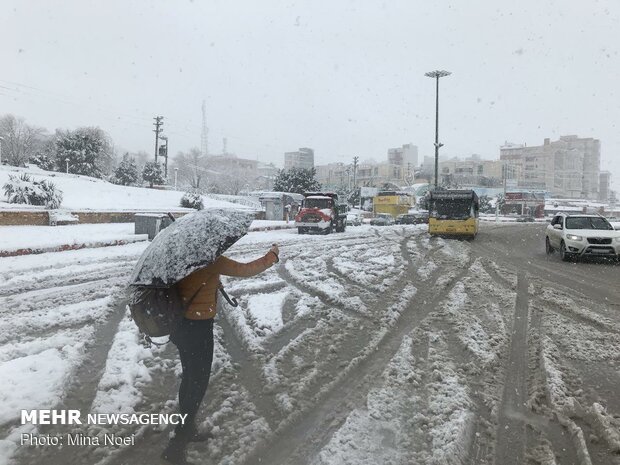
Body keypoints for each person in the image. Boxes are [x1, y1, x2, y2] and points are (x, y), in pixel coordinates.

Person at [162, 243, 280, 464]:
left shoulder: (179, 259)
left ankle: (188, 428)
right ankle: (177, 443)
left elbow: (188, 285)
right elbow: (246, 269)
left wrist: (211, 281)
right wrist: (272, 256)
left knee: (189, 378)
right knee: (197, 383)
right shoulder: (210, 259)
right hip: (198, 329)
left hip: (180, 327)